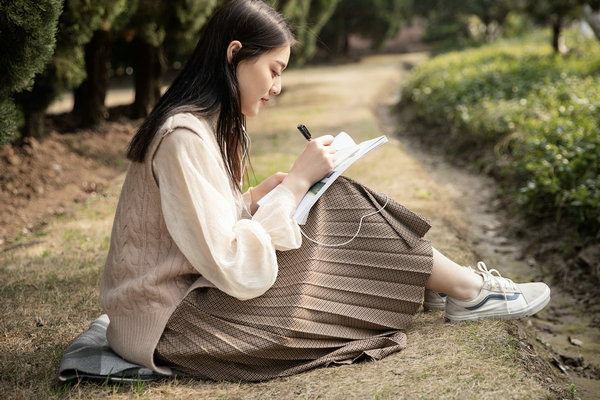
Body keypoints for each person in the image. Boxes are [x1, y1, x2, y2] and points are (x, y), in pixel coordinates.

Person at [100, 0, 551, 382]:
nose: (276, 87)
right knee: (330, 201)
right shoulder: (183, 135)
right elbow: (233, 264)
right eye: (273, 70)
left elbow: (198, 226)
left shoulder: (199, 127)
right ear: (234, 54)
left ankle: (452, 286)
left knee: (328, 195)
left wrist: (258, 196)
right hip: (175, 327)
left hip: (187, 307)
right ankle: (465, 290)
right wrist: (295, 184)